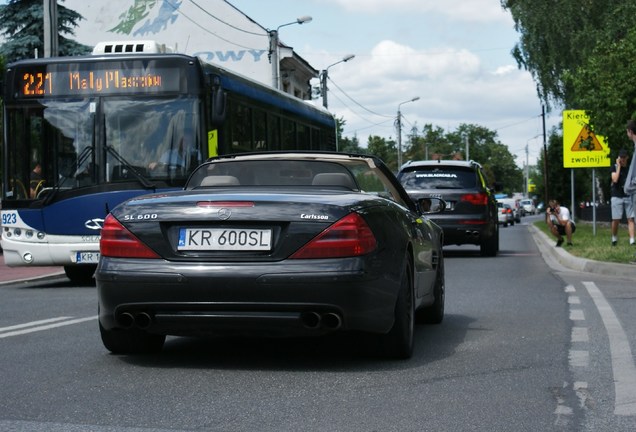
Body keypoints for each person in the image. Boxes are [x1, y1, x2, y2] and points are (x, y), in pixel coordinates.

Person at [610, 148, 635, 246]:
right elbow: (615, 180)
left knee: (631, 219)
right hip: (617, 196)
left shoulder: (630, 169)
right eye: (621, 157)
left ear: (627, 158)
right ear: (618, 158)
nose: (622, 159)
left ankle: (632, 240)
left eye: (624, 157)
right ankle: (614, 237)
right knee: (616, 219)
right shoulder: (614, 167)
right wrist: (619, 166)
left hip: (628, 196)